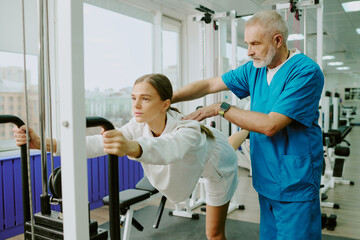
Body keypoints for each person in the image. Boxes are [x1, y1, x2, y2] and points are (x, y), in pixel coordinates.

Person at [13, 73, 246, 240]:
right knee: (230, 144)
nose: (136, 105)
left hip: (217, 167)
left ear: (165, 104)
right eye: (133, 97)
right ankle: (245, 132)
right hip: (207, 149)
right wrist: (46, 143)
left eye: (145, 98)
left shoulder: (189, 129)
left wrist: (130, 147)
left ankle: (247, 130)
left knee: (213, 233)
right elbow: (98, 143)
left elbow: (167, 149)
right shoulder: (137, 124)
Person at [172, 10, 324, 240]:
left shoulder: (305, 72)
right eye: (247, 44)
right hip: (266, 178)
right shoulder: (255, 68)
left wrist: (219, 108)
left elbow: (270, 125)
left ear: (277, 40)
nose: (249, 51)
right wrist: (166, 98)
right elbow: (209, 84)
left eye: (255, 43)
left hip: (296, 184)